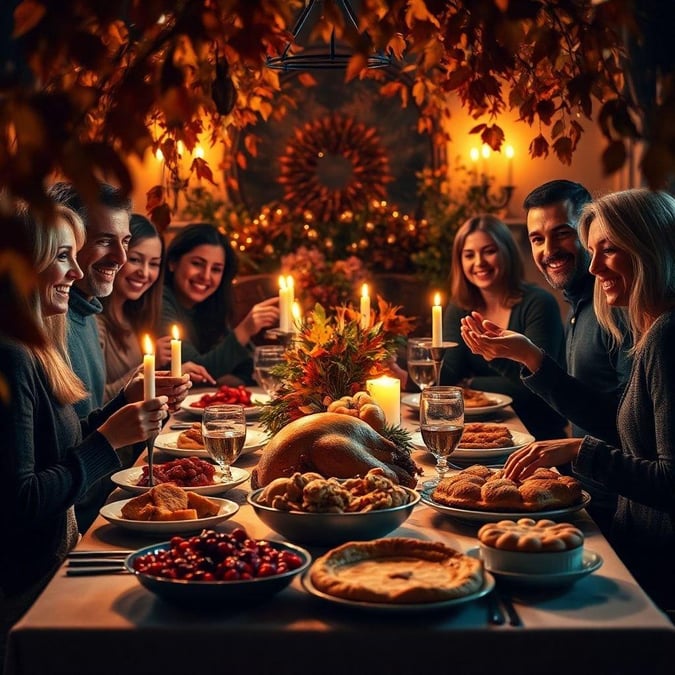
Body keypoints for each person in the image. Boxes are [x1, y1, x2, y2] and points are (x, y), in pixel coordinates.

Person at [0, 205, 177, 660]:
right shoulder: (11, 356)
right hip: (25, 589)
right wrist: (107, 443)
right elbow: (21, 502)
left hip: (58, 558)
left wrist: (121, 406)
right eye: (64, 256)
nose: (77, 271)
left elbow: (56, 446)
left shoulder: (38, 345)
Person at [500, 189, 675, 612]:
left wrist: (579, 450)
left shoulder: (666, 337)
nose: (594, 266)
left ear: (650, 249)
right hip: (636, 547)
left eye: (609, 250)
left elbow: (669, 480)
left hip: (659, 574)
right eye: (592, 251)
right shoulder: (648, 328)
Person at [461, 180, 632, 534]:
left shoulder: (615, 306)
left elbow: (629, 427)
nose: (548, 250)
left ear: (587, 232)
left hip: (614, 506)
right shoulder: (578, 305)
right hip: (582, 488)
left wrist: (531, 358)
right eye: (537, 239)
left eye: (562, 233)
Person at [439, 214, 567, 440]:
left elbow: (536, 388)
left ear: (507, 252)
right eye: (469, 255)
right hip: (478, 433)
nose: (479, 262)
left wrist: (470, 383)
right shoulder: (459, 307)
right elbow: (447, 376)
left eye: (489, 251)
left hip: (538, 435)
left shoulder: (538, 303)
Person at [98, 214, 214, 403]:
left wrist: (170, 373)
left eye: (153, 264)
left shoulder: (135, 315)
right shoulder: (95, 323)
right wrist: (149, 368)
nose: (144, 273)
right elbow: (96, 402)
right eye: (135, 259)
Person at [160, 223, 279, 385]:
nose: (206, 276)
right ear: (173, 262)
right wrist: (245, 329)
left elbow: (250, 370)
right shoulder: (160, 302)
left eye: (216, 269)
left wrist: (225, 379)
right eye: (197, 263)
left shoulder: (209, 305)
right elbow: (196, 371)